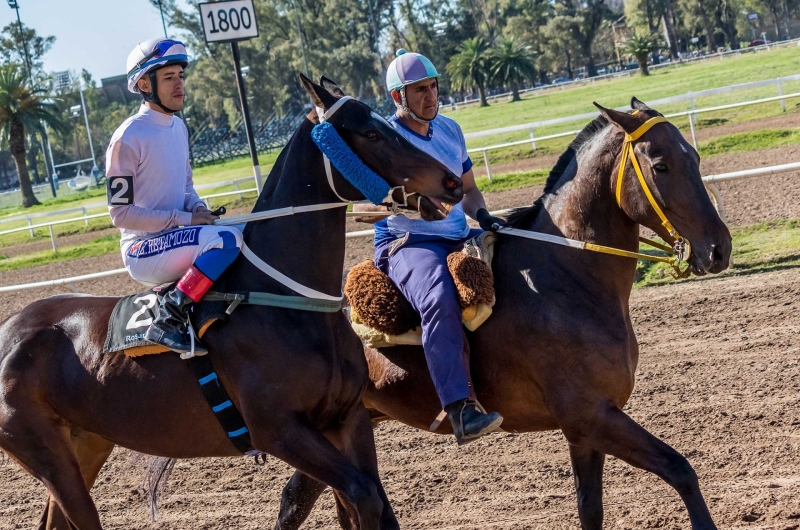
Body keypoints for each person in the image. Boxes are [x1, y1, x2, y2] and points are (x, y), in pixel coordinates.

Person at [365, 49, 507, 445]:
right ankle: (460, 408)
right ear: (398, 98)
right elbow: (363, 203)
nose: (430, 96)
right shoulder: (382, 139)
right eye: (419, 90)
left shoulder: (451, 130)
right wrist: (404, 203)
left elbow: (471, 190)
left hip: (459, 235)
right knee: (440, 297)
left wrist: (485, 216)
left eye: (433, 87)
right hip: (408, 243)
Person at [105, 38, 243, 356]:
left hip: (176, 236)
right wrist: (185, 218)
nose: (179, 84)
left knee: (246, 235)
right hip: (142, 249)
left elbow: (185, 186)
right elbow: (120, 215)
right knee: (226, 241)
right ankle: (169, 317)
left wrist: (198, 208)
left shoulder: (178, 127)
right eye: (169, 78)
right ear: (143, 83)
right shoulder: (127, 137)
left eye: (180, 75)